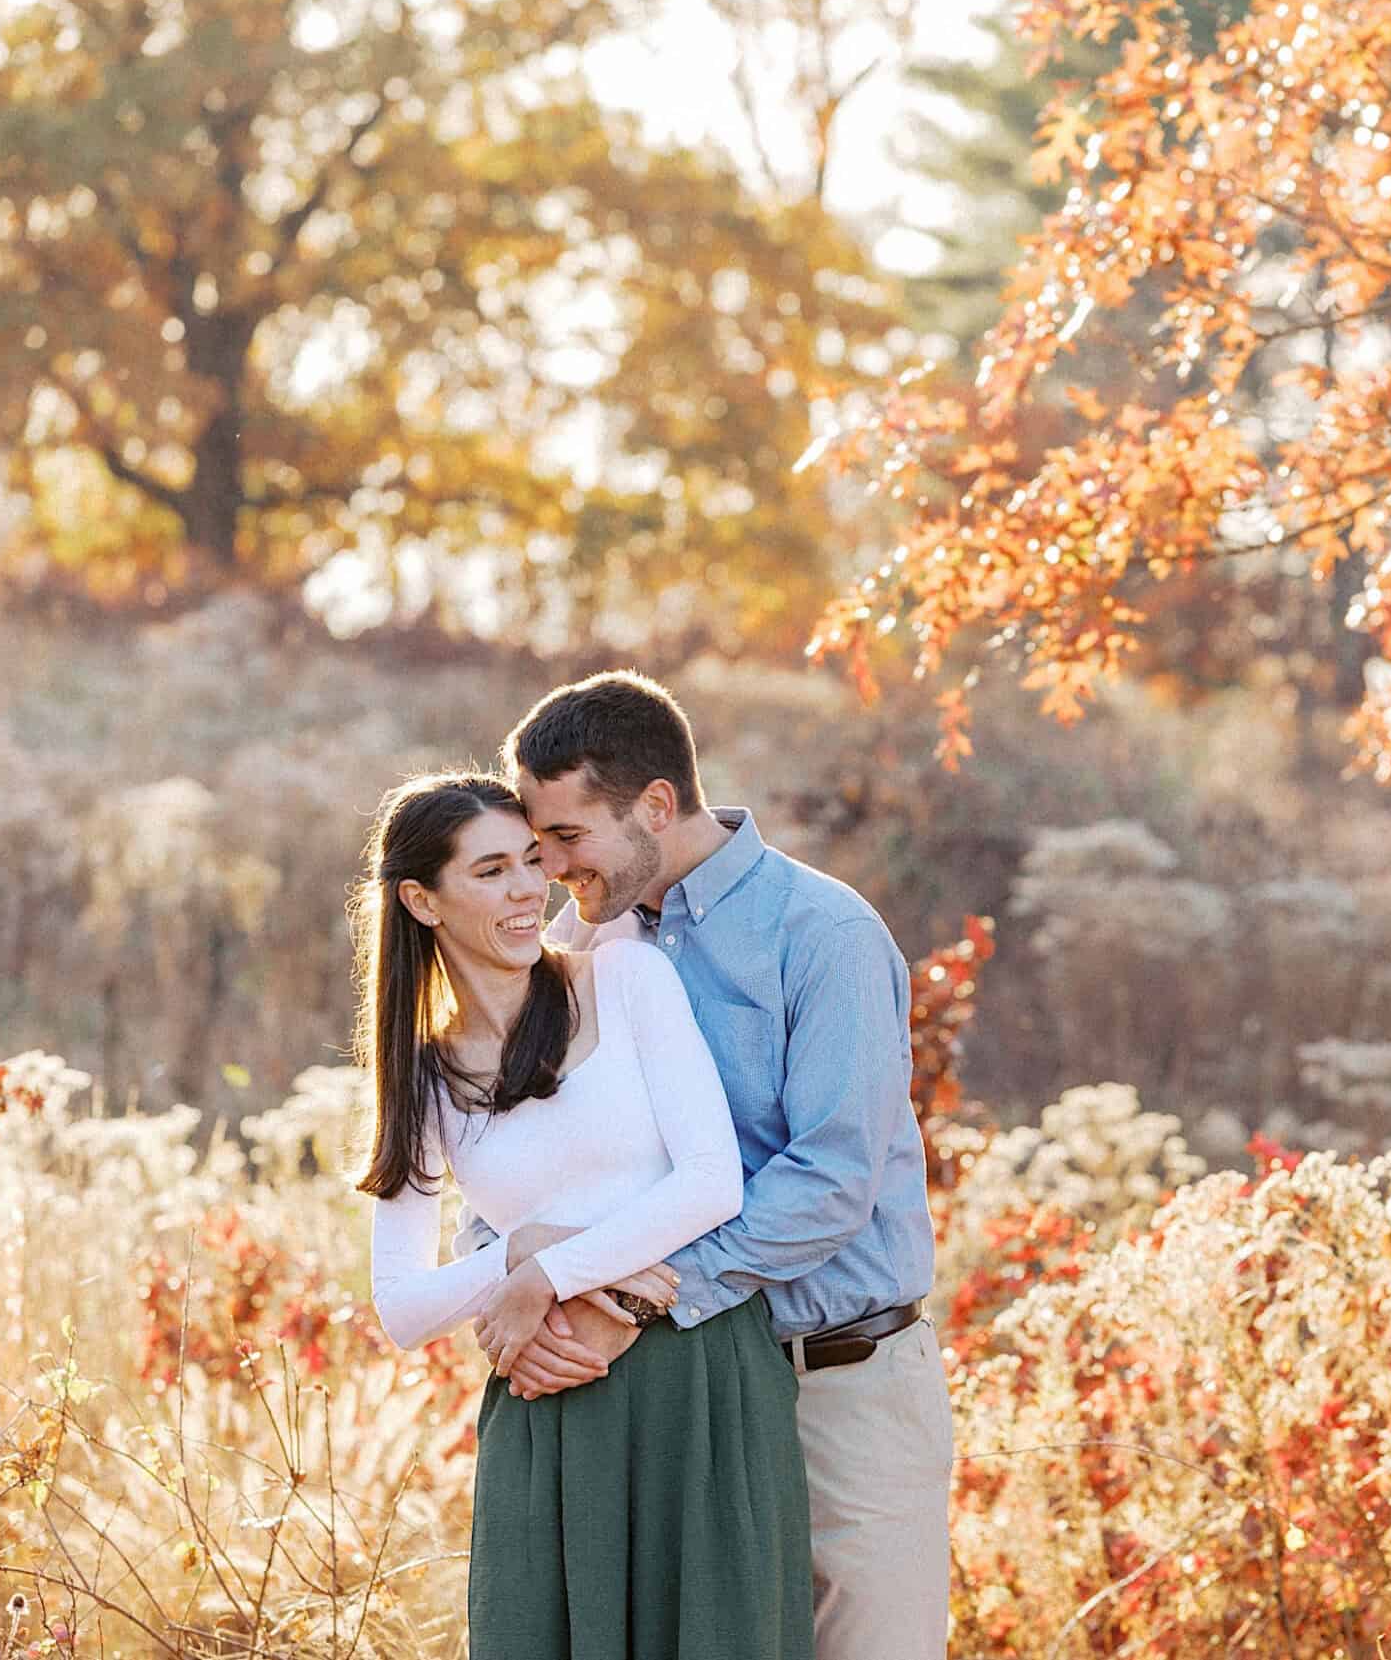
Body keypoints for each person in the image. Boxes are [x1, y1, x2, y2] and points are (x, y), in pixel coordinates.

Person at [468, 670, 954, 1660]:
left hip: (836, 1387)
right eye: (534, 844)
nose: (551, 870)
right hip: (672, 1400)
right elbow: (527, 1137)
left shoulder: (825, 935)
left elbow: (829, 1179)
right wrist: (516, 1273)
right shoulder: (587, 942)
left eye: (565, 838)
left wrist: (629, 1295)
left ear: (656, 803)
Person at [356, 773, 815, 1660]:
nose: (531, 889)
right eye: (491, 871)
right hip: (550, 1404)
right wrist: (521, 1255)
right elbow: (404, 1307)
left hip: (700, 1383)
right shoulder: (423, 1076)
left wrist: (550, 1275)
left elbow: (714, 1181)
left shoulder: (627, 976)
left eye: (533, 859)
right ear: (422, 899)